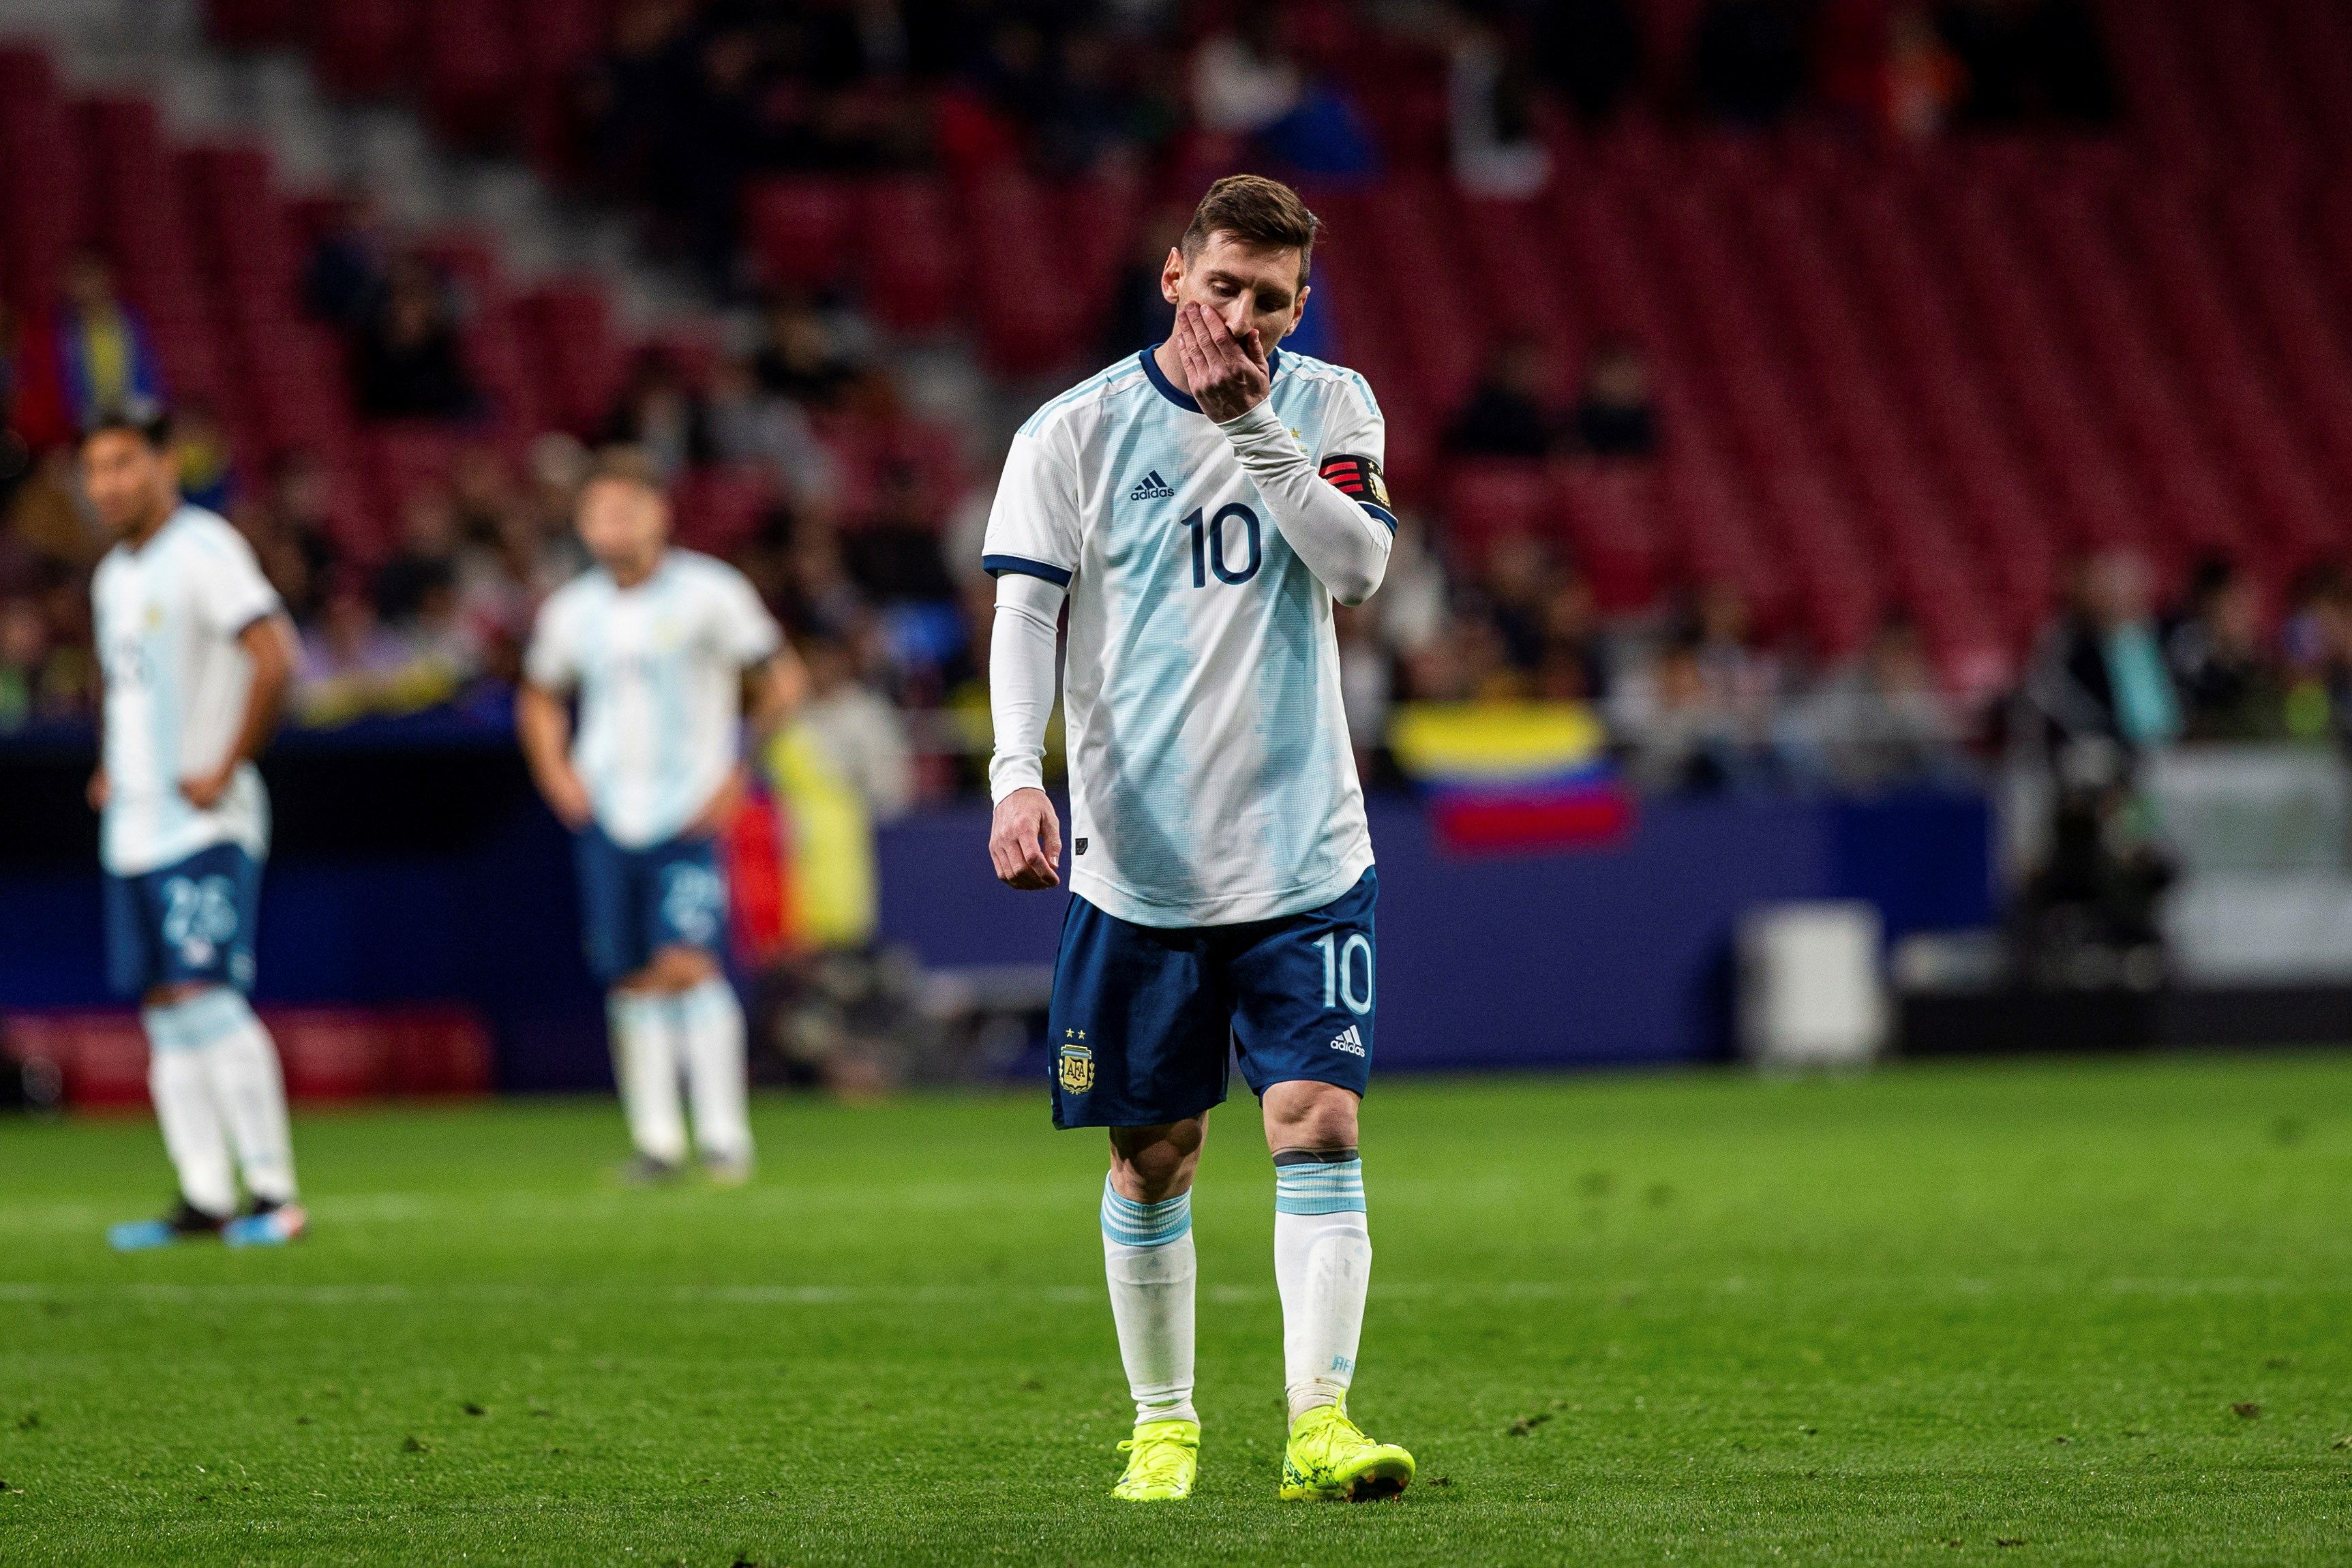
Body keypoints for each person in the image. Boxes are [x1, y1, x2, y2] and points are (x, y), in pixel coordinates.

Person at [983, 174, 1414, 1506]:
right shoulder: (1073, 432)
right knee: (1152, 1149)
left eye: (1271, 298)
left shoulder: (1330, 405)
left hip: (1304, 850)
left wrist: (1257, 432)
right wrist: (1014, 774)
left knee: (1317, 1121)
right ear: (1175, 275)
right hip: (1141, 858)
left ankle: (1320, 1423)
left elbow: (1356, 569)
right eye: (1222, 285)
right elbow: (1025, 616)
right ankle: (1163, 1422)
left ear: (1299, 305)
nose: (1242, 315)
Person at [517, 448, 806, 1185]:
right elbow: (540, 694)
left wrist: (741, 769)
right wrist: (557, 773)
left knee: (690, 963)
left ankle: (723, 1137)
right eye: (598, 512)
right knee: (631, 978)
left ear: (659, 513)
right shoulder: (571, 609)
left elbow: (782, 679)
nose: (612, 524)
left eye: (625, 508)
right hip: (610, 811)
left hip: (688, 808)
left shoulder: (710, 593)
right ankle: (657, 1142)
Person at [82, 408, 306, 1250]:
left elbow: (275, 653)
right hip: (134, 825)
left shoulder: (204, 550)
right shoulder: (114, 575)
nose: (109, 483)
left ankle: (276, 1194)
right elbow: (125, 681)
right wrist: (113, 759)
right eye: (97, 468)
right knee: (164, 1006)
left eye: (125, 463)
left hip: (205, 820)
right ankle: (205, 1194)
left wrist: (226, 761)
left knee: (209, 993)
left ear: (166, 465)